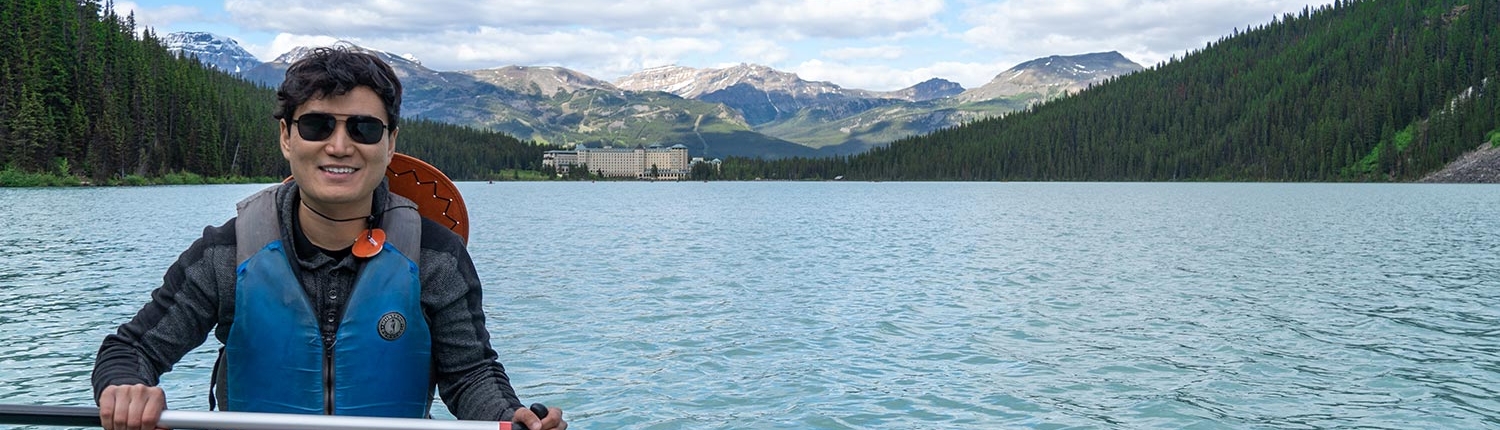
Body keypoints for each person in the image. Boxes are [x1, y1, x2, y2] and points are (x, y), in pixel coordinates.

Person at [90, 46, 566, 430]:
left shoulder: (436, 257)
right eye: (318, 125)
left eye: (363, 128)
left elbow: (471, 375)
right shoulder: (225, 252)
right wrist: (126, 388)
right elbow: (129, 351)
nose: (339, 146)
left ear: (390, 142)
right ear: (286, 137)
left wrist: (512, 418)